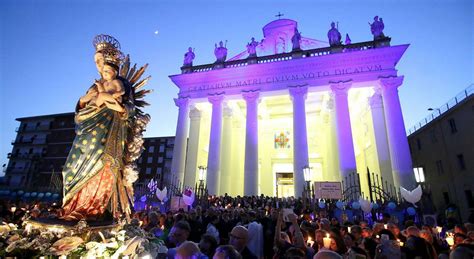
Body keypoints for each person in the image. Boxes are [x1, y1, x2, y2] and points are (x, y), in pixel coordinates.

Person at [61, 35, 133, 221]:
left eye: (100, 61)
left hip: (107, 130)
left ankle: (92, 207)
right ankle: (72, 205)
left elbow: (128, 106)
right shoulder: (95, 85)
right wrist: (85, 101)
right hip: (87, 127)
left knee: (101, 163)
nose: (98, 65)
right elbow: (83, 103)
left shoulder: (122, 83)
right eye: (96, 61)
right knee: (71, 167)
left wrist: (117, 106)